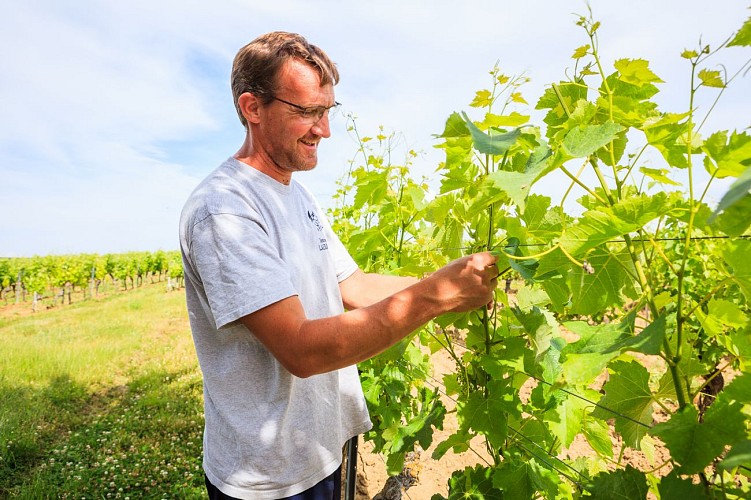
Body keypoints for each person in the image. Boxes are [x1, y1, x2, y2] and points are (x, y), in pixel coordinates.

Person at [179, 31, 499, 500]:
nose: (323, 129)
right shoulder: (224, 210)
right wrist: (435, 296)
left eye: (326, 111)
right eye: (306, 111)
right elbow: (301, 349)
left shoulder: (296, 193)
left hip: (322, 446)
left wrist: (455, 283)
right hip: (271, 477)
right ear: (252, 108)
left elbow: (355, 285)